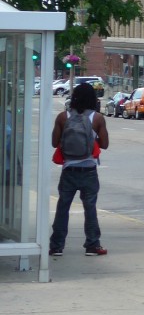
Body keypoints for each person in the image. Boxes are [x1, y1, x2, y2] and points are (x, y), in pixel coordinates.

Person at [49, 82, 110, 256]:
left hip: (69, 170)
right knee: (90, 208)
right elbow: (105, 144)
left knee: (63, 207)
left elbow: (54, 143)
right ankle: (92, 245)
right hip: (89, 170)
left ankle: (56, 246)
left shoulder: (63, 117)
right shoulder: (97, 118)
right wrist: (92, 141)